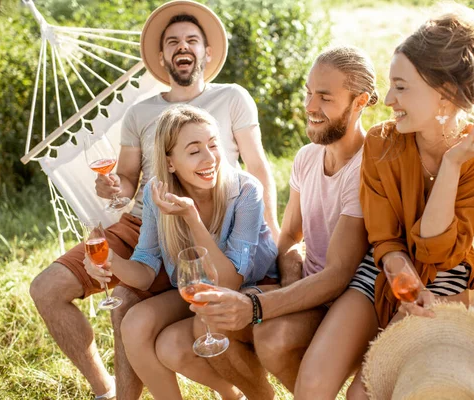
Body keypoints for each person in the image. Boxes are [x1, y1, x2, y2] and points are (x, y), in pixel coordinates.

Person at [29, 1, 280, 399]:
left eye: (192, 40)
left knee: (135, 306)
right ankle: (106, 391)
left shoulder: (232, 99)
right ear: (161, 55)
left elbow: (259, 172)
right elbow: (129, 180)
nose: (183, 47)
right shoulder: (140, 113)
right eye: (173, 41)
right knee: (66, 293)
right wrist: (116, 191)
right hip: (151, 216)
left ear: (206, 52)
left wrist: (278, 242)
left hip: (223, 217)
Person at [170, 46, 379, 399]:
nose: (310, 106)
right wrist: (290, 279)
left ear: (359, 102)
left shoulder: (365, 168)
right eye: (309, 92)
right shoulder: (307, 157)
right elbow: (290, 236)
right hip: (309, 288)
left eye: (325, 97)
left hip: (348, 301)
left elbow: (339, 274)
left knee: (272, 338)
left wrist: (255, 305)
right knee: (209, 318)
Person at [348, 4, 474, 397]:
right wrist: (405, 285)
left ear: (445, 95)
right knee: (353, 393)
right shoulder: (383, 142)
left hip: (447, 272)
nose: (387, 99)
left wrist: (453, 164)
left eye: (401, 87)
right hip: (388, 267)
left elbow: (438, 251)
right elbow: (384, 238)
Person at [84, 104, 278, 399]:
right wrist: (110, 260)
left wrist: (192, 219)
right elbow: (145, 271)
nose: (210, 157)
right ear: (170, 162)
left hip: (253, 288)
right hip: (199, 290)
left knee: (170, 346)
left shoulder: (245, 191)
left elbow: (230, 282)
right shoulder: (155, 192)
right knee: (135, 323)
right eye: (194, 150)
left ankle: (237, 394)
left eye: (213, 144)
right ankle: (231, 394)